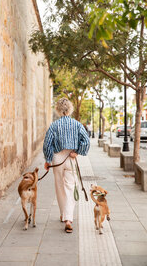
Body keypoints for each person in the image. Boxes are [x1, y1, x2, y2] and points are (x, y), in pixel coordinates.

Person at [43, 97, 90, 233]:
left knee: (59, 186)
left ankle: (64, 214)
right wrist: (77, 152)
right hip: (70, 158)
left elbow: (47, 144)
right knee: (70, 186)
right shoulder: (77, 124)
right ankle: (68, 218)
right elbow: (86, 141)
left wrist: (48, 160)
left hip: (57, 159)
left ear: (58, 110)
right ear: (70, 109)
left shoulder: (54, 125)